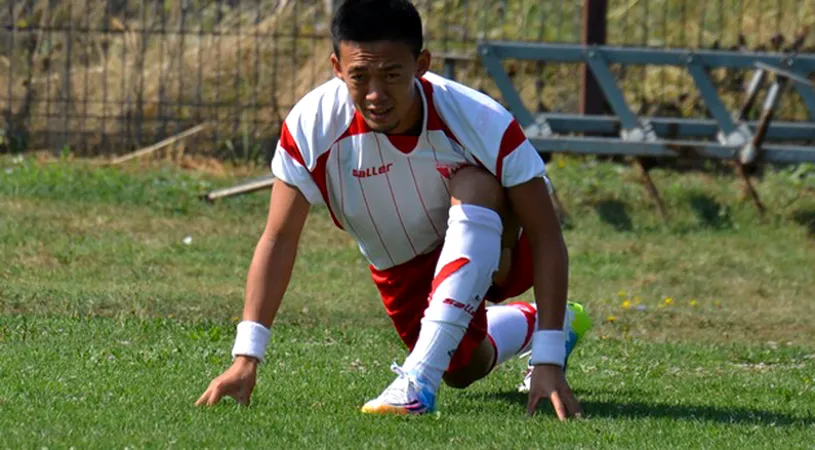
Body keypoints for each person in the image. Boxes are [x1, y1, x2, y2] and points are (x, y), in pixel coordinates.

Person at [196, 0, 591, 419]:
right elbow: (278, 239)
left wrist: (546, 360)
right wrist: (246, 357)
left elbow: (547, 234)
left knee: (475, 183)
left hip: (507, 245)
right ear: (336, 67)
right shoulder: (311, 126)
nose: (375, 94)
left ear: (421, 64)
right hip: (400, 262)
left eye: (391, 76)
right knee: (464, 369)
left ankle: (416, 382)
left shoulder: (480, 118)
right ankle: (543, 322)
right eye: (359, 76)